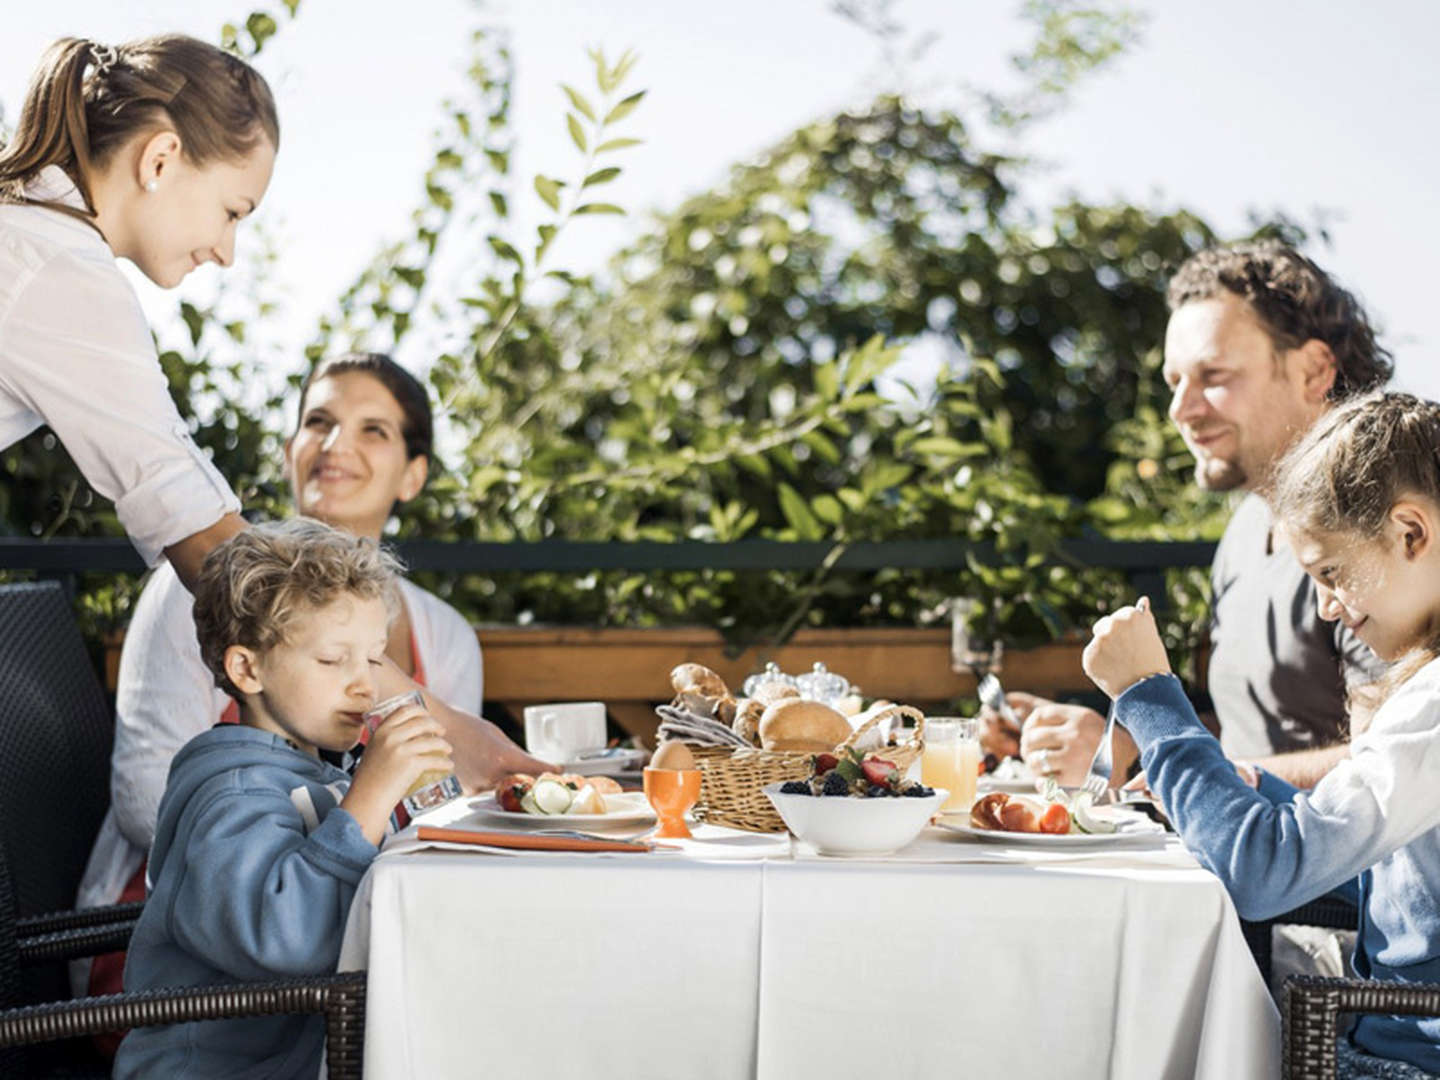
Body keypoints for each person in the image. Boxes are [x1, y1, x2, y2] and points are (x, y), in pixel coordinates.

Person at [72, 351, 494, 999]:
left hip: (337, 945)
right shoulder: (205, 587)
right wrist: (352, 818)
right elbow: (143, 800)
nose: (335, 444)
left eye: (371, 429)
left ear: (413, 475)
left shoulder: (447, 636)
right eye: (318, 421)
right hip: (195, 974)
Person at [1084, 392, 1440, 1079]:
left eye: (1332, 573)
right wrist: (1263, 793)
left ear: (1410, 532)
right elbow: (1407, 885)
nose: (1328, 607)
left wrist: (1150, 697)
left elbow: (1263, 875)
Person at [988, 242, 1391, 790]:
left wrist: (1165, 766)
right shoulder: (1246, 530)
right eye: (1175, 382)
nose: (1181, 409)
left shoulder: (1382, 523)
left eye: (1214, 375)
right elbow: (1256, 737)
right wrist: (1124, 745)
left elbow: (1399, 760)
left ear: (1314, 370)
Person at [112, 519, 451, 1079]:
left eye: (370, 659)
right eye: (331, 660)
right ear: (247, 668)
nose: (365, 686)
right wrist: (368, 798)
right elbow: (284, 939)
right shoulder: (231, 794)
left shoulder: (319, 773)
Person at [0, 34, 277, 586]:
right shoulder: (59, 269)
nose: (227, 252)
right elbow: (192, 520)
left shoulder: (27, 236)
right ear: (161, 158)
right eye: (231, 212)